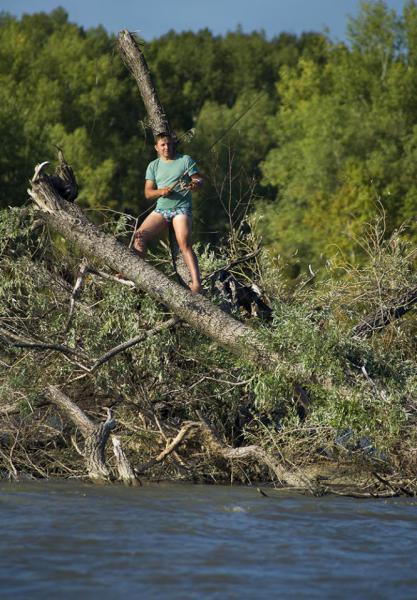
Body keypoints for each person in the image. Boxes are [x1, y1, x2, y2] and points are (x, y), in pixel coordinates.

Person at [134, 133, 203, 294]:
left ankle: (197, 284)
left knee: (183, 243)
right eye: (163, 145)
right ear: (156, 147)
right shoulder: (153, 166)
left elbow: (200, 180)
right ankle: (136, 272)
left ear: (173, 145)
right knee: (139, 235)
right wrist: (161, 191)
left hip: (181, 208)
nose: (167, 147)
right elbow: (148, 193)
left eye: (169, 144)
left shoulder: (185, 160)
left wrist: (195, 185)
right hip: (161, 209)